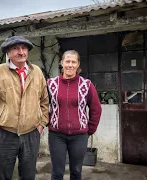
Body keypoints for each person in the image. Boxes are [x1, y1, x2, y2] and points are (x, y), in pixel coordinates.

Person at [0, 36, 49, 180]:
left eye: (24, 48)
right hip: (4, 134)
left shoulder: (36, 72)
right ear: (8, 52)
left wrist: (41, 125)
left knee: (28, 176)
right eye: (16, 48)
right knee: (4, 176)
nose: (21, 52)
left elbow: (44, 101)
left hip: (31, 134)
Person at [47, 50, 102, 180]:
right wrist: (47, 121)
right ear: (62, 63)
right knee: (57, 172)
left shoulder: (86, 84)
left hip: (79, 136)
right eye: (67, 61)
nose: (70, 65)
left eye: (73, 62)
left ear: (78, 65)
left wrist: (90, 129)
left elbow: (96, 108)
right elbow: (43, 106)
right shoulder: (51, 84)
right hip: (56, 136)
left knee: (76, 172)